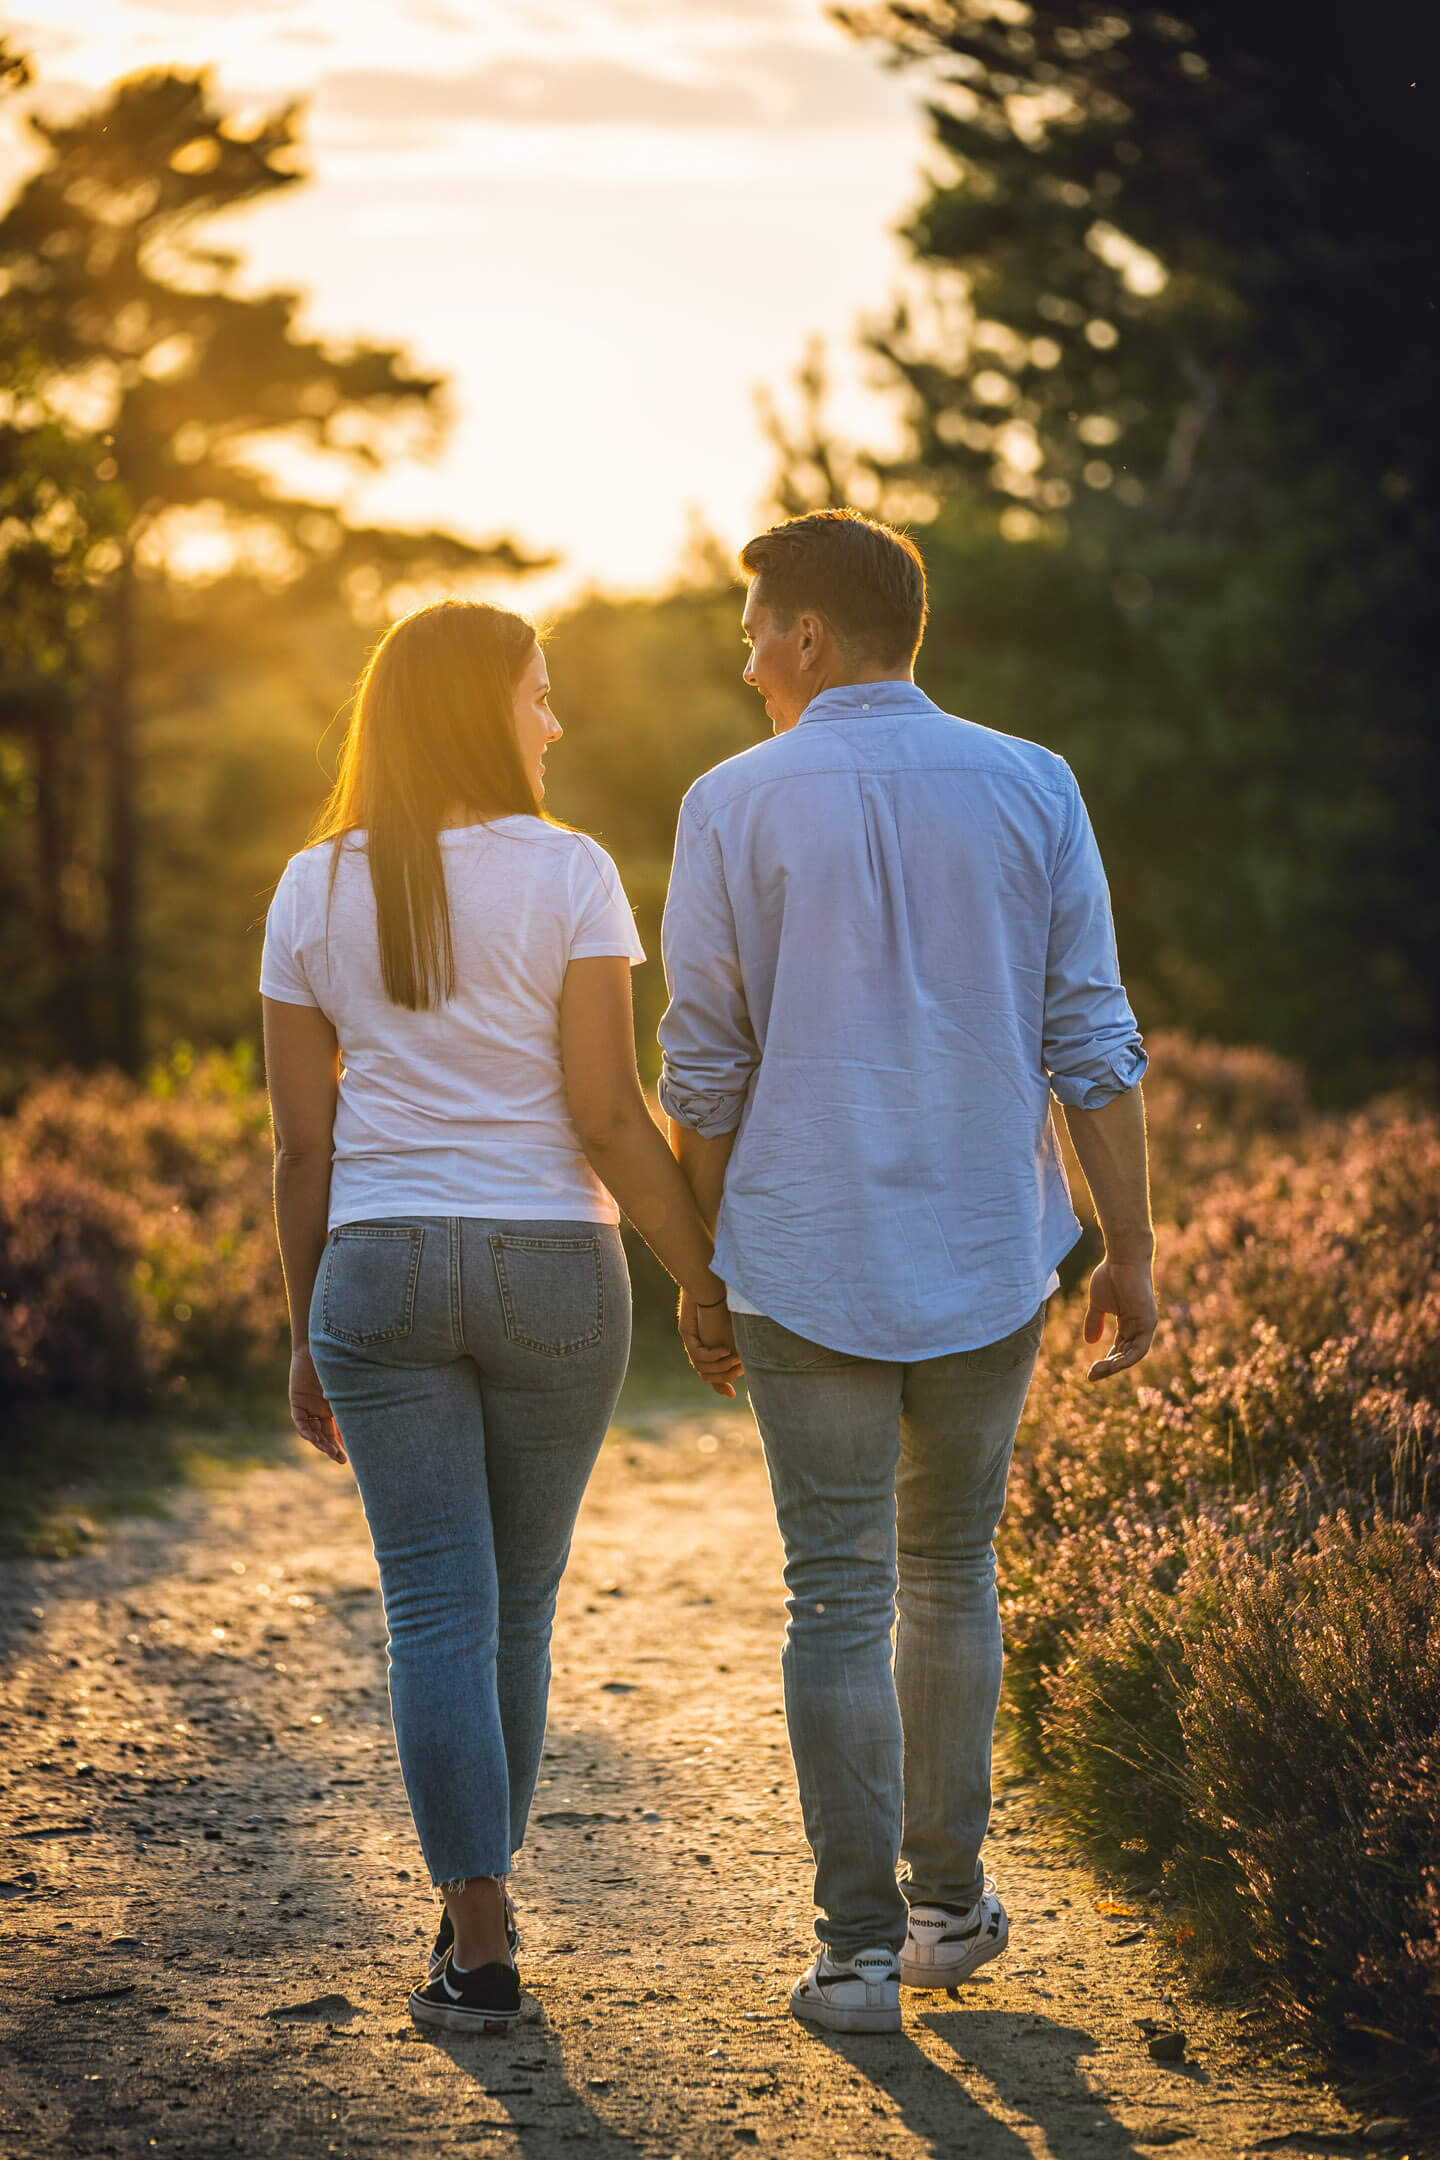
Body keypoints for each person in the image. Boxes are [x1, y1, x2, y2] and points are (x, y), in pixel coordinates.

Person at [659, 509, 1156, 2035]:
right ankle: (948, 1911)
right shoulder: (1035, 782)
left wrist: (703, 1269)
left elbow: (704, 1069)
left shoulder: (729, 803)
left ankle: (856, 1958)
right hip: (989, 1250)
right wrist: (1130, 1247)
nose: (747, 661)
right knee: (950, 1571)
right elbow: (1092, 1037)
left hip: (800, 1249)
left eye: (755, 631)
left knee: (834, 1592)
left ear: (809, 634)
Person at [261, 599, 733, 2036]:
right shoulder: (571, 871)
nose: (555, 720)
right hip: (555, 1271)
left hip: (378, 1268)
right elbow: (606, 1112)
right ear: (485, 711)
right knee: (515, 1608)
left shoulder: (311, 886)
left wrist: (304, 1326)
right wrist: (702, 1275)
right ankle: (484, 1908)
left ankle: (479, 1939)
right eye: (539, 694)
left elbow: (301, 1146)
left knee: (436, 1612)